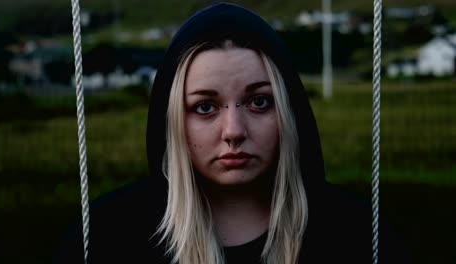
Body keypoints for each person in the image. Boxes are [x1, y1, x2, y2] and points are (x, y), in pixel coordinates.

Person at [55, 2, 410, 264]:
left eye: (258, 102)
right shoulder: (107, 238)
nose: (234, 132)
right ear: (174, 121)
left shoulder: (357, 235)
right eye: (205, 107)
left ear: (289, 111)